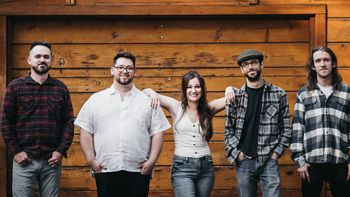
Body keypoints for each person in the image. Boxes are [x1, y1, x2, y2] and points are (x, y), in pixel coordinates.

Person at [74, 51, 171, 197]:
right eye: (120, 67)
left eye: (129, 68)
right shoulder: (96, 100)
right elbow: (86, 130)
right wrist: (90, 160)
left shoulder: (147, 100)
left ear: (134, 72)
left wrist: (152, 161)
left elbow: (158, 132)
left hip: (138, 170)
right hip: (106, 169)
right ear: (112, 70)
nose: (124, 71)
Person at [143, 70, 234, 197]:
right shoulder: (176, 107)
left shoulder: (209, 109)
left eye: (197, 86)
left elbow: (235, 95)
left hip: (206, 166)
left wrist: (230, 88)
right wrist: (152, 93)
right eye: (189, 87)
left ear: (202, 89)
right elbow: (146, 91)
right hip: (182, 167)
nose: (193, 90)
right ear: (184, 90)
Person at [0, 41, 74, 197]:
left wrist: (60, 151)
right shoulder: (16, 87)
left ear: (51, 60)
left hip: (51, 161)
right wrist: (15, 152)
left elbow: (68, 122)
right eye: (38, 56)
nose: (42, 60)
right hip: (24, 159)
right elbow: (6, 122)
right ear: (29, 60)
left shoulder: (60, 89)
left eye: (46, 57)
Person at [224, 49, 292, 197]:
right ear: (242, 69)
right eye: (246, 64)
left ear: (262, 65)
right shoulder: (235, 97)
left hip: (269, 160)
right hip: (244, 161)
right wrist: (237, 154)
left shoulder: (278, 94)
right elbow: (228, 130)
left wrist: (276, 154)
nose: (250, 67)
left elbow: (286, 129)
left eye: (254, 63)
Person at [290, 46, 350, 197]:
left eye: (326, 60)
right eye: (318, 60)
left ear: (333, 63)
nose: (322, 64)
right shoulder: (304, 94)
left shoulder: (346, 92)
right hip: (311, 163)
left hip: (339, 161)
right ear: (313, 66)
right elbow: (298, 128)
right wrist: (300, 161)